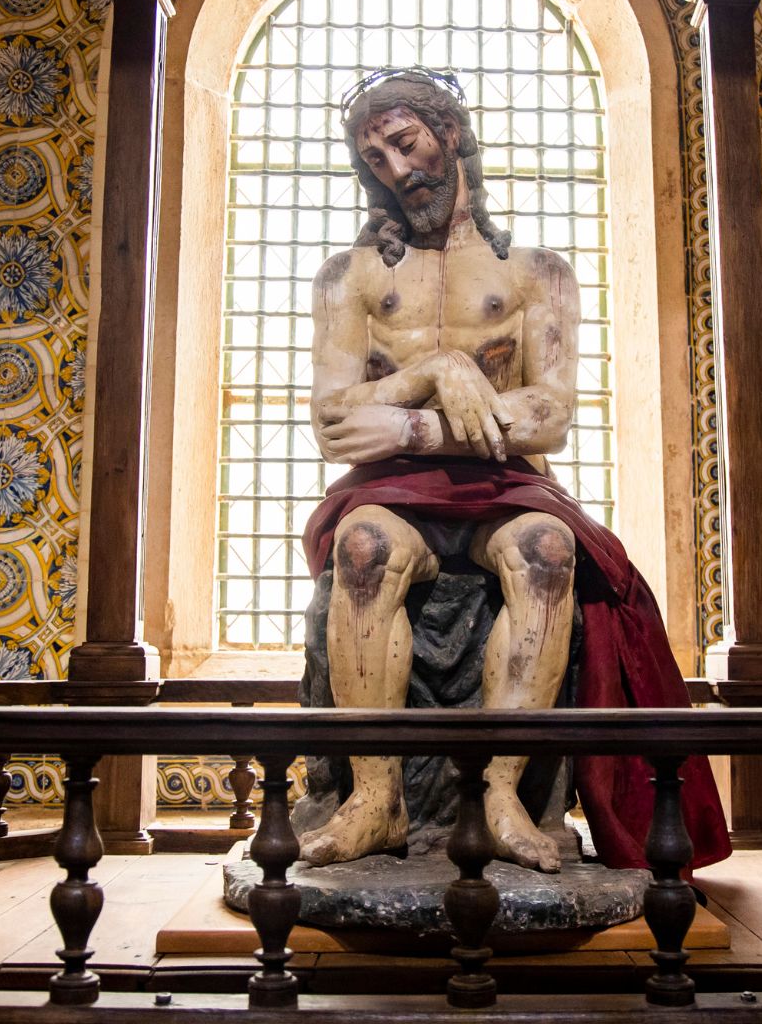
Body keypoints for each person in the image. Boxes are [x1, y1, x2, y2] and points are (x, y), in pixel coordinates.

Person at [293, 68, 729, 874]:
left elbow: (549, 416)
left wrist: (408, 418)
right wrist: (435, 375)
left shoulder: (539, 272)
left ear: (449, 135)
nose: (396, 169)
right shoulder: (349, 277)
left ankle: (502, 795)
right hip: (388, 493)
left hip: (508, 489)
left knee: (548, 551)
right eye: (374, 158)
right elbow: (332, 425)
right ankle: (373, 800)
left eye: (406, 143)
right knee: (361, 551)